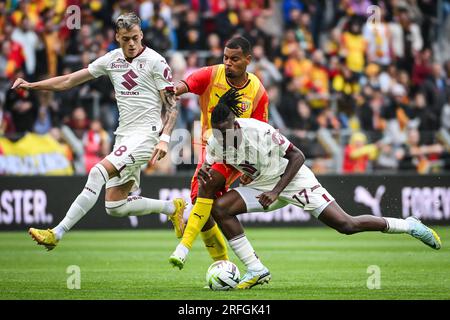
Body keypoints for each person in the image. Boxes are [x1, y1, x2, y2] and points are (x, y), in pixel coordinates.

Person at [202, 88, 441, 289]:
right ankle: (256, 269)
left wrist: (276, 192)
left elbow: (298, 156)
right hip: (263, 184)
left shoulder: (259, 130)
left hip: (294, 179)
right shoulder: (215, 141)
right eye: (218, 133)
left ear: (236, 124)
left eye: (226, 132)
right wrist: (217, 172)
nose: (223, 138)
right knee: (220, 208)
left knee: (347, 225)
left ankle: (409, 225)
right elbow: (216, 163)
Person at [12, 13, 186, 250]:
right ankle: (171, 207)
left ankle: (57, 233)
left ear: (142, 35)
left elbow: (172, 105)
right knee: (115, 206)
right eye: (126, 39)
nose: (132, 44)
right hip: (124, 136)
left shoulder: (156, 61)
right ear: (117, 37)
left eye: (135, 37)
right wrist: (32, 85)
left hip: (147, 135)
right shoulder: (111, 59)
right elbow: (70, 80)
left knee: (97, 172)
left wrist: (165, 139)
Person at [169, 36, 269, 269]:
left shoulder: (257, 91)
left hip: (237, 152)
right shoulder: (212, 74)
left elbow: (260, 134)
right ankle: (223, 265)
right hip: (209, 147)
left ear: (248, 60)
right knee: (202, 203)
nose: (228, 63)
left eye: (234, 59)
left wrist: (251, 170)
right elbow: (187, 84)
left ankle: (184, 248)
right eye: (225, 57)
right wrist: (176, 90)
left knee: (207, 187)